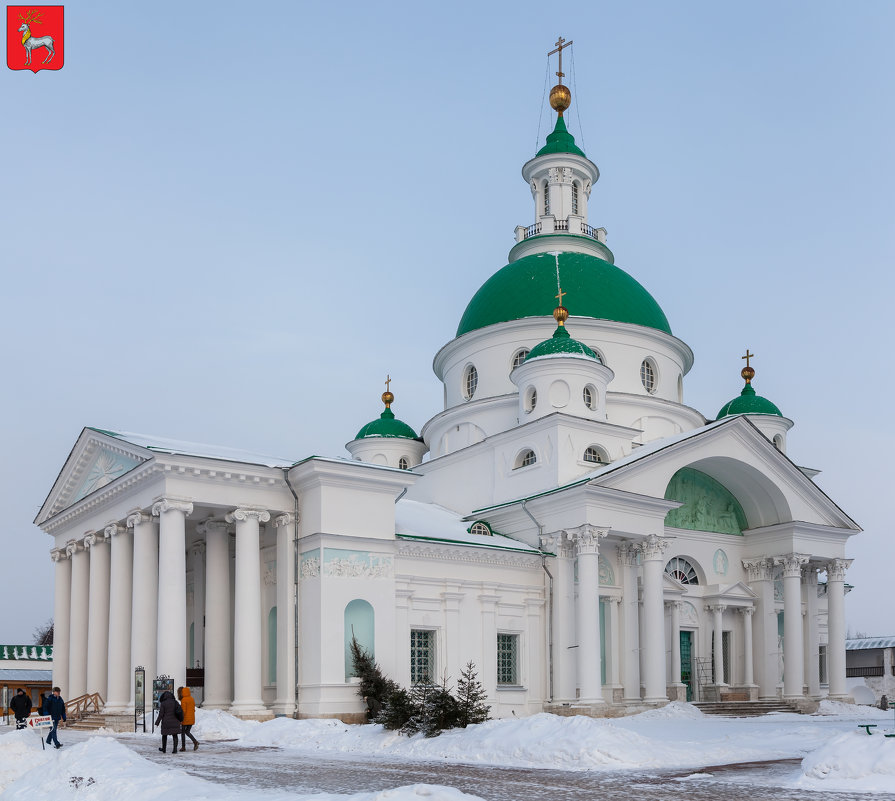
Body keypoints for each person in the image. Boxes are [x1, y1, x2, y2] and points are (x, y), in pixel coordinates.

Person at [178, 686, 199, 751]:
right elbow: (193, 709)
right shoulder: (191, 698)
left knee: (183, 733)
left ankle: (183, 747)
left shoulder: (184, 700)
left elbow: (183, 711)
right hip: (191, 718)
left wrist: (181, 719)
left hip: (185, 719)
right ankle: (195, 741)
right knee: (187, 732)